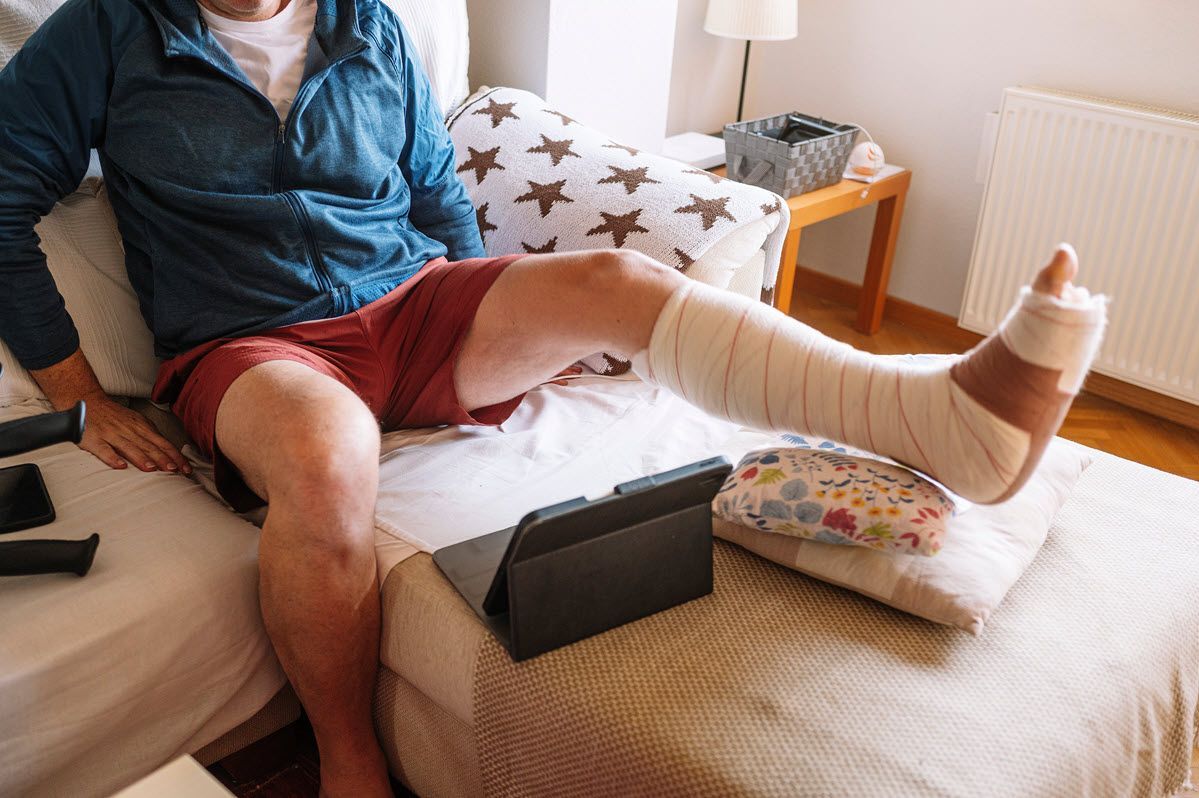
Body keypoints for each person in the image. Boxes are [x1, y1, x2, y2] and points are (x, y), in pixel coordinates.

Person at [0, 0, 1107, 794]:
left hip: (410, 306)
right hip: (251, 346)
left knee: (614, 281)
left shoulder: (369, 22)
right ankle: (347, 759)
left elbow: (437, 195)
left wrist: (496, 325)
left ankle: (942, 419)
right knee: (332, 456)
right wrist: (84, 394)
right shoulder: (100, 31)